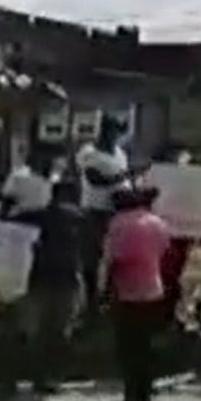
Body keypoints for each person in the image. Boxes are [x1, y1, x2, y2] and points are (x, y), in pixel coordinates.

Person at [0, 178, 86, 399]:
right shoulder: (78, 218)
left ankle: (9, 383)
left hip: (35, 281)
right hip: (63, 281)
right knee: (55, 333)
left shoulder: (28, 218)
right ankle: (45, 379)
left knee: (23, 333)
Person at [100, 186, 171, 401]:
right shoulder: (157, 222)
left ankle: (132, 398)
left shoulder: (119, 224)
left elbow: (112, 259)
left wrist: (103, 292)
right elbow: (163, 250)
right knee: (145, 345)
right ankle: (145, 394)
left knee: (128, 348)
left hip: (128, 292)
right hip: (153, 289)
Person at [76, 116, 132, 310]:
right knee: (92, 256)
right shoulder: (88, 153)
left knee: (115, 256)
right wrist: (121, 177)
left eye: (117, 133)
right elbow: (95, 180)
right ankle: (91, 298)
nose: (114, 137)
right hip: (94, 211)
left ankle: (107, 296)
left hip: (116, 213)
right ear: (103, 131)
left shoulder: (120, 153)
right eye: (111, 132)